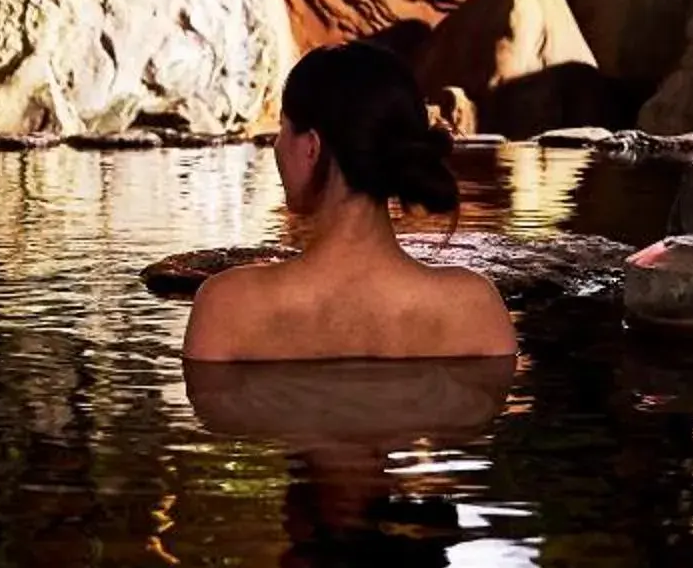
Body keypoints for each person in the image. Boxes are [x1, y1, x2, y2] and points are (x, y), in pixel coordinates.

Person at [182, 42, 514, 362]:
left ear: (311, 147)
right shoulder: (475, 309)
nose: (278, 147)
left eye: (283, 129)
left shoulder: (227, 309)